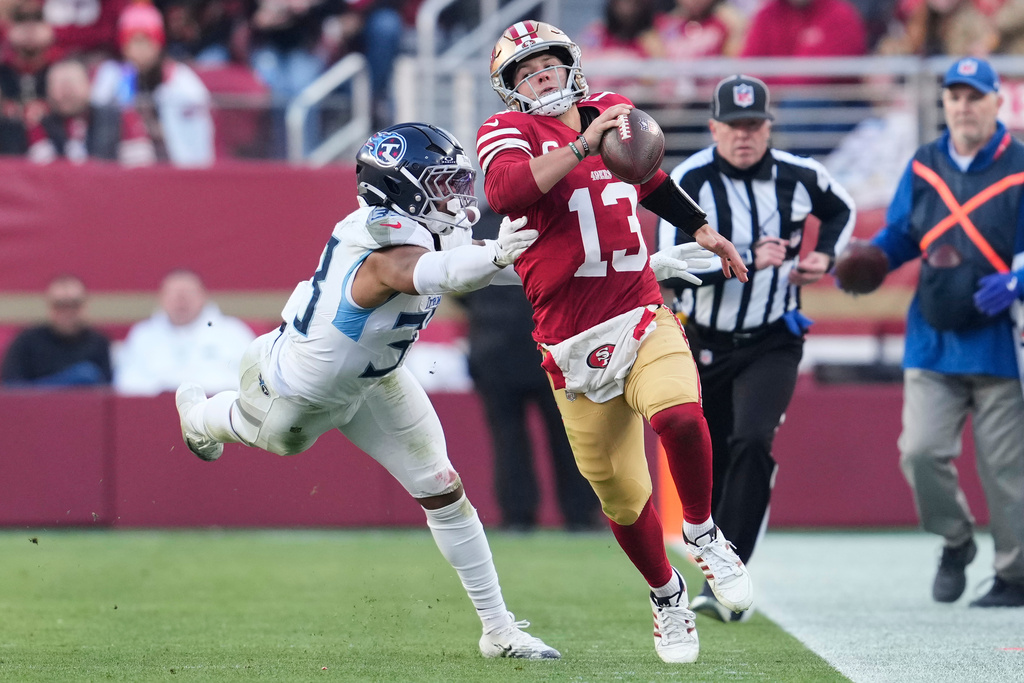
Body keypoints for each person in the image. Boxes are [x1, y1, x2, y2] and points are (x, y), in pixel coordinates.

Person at [172, 122, 564, 659]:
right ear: (401, 188)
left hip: (376, 379)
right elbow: (429, 272)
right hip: (294, 390)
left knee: (444, 488)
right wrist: (495, 255)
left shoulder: (429, 228)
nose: (456, 194)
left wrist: (615, 275)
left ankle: (499, 631)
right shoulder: (377, 241)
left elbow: (492, 268)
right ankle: (200, 417)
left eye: (456, 180)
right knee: (272, 437)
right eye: (442, 182)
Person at [479, 20, 753, 664]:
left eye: (547, 63)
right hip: (570, 344)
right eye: (525, 72)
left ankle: (704, 532)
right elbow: (506, 191)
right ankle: (666, 596)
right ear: (511, 90)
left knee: (682, 417)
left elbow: (648, 176)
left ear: (571, 65)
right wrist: (580, 146)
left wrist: (702, 226)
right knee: (622, 498)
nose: (539, 75)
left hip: (639, 310)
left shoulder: (613, 112)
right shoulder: (507, 133)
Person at [657, 75, 856, 622]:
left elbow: (842, 209)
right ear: (714, 127)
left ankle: (728, 578)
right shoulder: (688, 179)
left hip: (773, 336)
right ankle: (722, 565)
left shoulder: (800, 174)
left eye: (754, 126)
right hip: (704, 342)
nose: (744, 136)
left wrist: (827, 256)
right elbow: (668, 272)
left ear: (768, 127)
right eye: (733, 126)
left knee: (750, 439)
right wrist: (745, 257)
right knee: (713, 459)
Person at [867, 56, 1024, 608]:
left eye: (974, 96)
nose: (963, 106)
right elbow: (902, 234)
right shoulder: (926, 162)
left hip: (1001, 341)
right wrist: (871, 261)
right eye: (954, 97)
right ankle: (955, 541)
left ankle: (1014, 576)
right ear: (945, 105)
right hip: (934, 336)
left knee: (1006, 468)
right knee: (920, 451)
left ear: (996, 102)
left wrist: (1018, 280)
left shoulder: (1021, 167)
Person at [456, 209, 603, 532]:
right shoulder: (559, 216)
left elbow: (456, 287)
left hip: (495, 344)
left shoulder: (476, 223)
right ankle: (580, 515)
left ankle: (517, 516)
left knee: (509, 439)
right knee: (569, 436)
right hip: (554, 345)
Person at [90, 0, 216, 166]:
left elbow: (195, 134)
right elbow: (99, 117)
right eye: (132, 41)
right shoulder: (112, 75)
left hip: (173, 166)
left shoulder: (180, 79)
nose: (138, 49)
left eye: (145, 41)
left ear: (158, 43)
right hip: (122, 166)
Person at [114, 269, 255, 396]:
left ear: (204, 295)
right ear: (161, 298)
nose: (181, 300)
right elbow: (125, 382)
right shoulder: (143, 335)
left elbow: (254, 381)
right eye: (174, 294)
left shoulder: (233, 332)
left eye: (188, 293)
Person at [1, 274, 112, 386]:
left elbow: (108, 389)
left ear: (85, 305)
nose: (67, 312)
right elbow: (11, 388)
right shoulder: (26, 341)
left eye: (74, 304)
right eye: (60, 305)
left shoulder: (98, 343)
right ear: (49, 306)